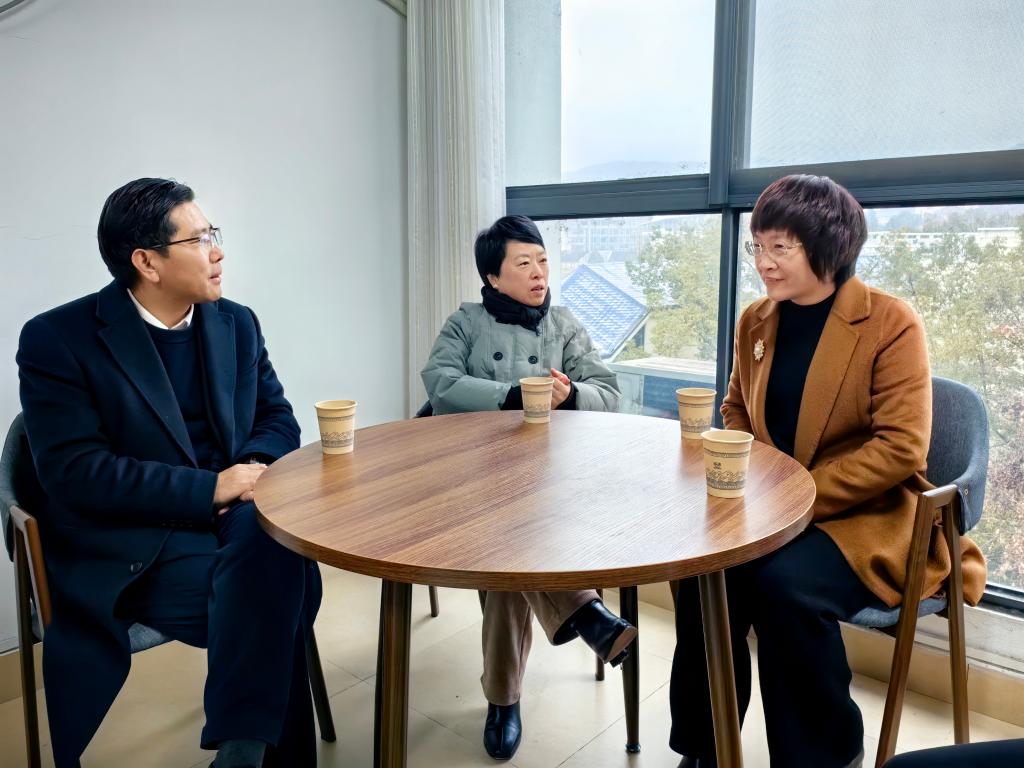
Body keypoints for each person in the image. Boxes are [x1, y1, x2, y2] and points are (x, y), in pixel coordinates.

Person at [668, 175, 987, 768]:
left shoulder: (890, 322)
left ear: (829, 247)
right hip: (773, 505)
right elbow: (737, 406)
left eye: (780, 247)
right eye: (757, 245)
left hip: (869, 513)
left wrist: (794, 497)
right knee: (703, 571)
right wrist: (754, 477)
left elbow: (901, 448)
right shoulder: (756, 320)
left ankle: (827, 755)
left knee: (785, 586)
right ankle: (706, 746)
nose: (763, 262)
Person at [17, 178, 320, 768]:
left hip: (237, 517)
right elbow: (76, 474)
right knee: (286, 587)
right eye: (201, 239)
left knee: (276, 563)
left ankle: (241, 752)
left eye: (214, 234)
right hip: (137, 539)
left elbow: (276, 416)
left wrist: (253, 471)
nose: (218, 251)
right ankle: (253, 751)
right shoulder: (58, 339)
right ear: (147, 262)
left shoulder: (236, 322)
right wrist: (212, 487)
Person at [421, 214, 637, 761]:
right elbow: (440, 382)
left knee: (509, 551)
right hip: (471, 475)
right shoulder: (465, 323)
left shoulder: (563, 324)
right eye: (524, 263)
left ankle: (503, 700)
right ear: (493, 277)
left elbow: (609, 391)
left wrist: (573, 395)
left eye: (543, 260)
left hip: (549, 477)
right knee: (508, 544)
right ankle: (585, 615)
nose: (540, 272)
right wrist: (511, 395)